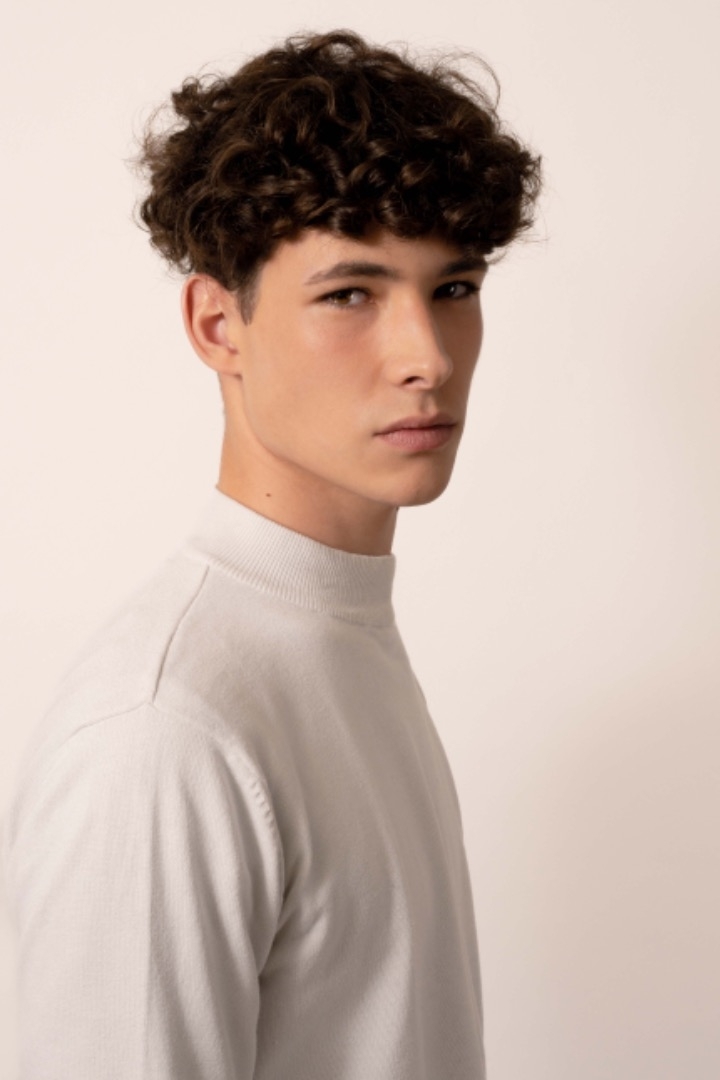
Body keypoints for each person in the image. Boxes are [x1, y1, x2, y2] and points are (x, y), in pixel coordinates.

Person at [3, 29, 540, 1080]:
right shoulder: (164, 733)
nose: (428, 358)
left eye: (454, 288)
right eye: (350, 294)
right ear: (218, 324)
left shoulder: (333, 638)